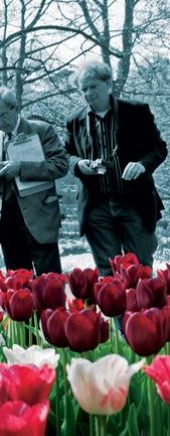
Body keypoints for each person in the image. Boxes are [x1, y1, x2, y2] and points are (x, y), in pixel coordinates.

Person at [65, 60, 167, 275]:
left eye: (93, 87)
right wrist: (80, 164)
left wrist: (141, 165)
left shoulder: (136, 112)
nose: (88, 93)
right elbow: (65, 156)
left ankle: (144, 310)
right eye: (83, 89)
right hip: (96, 206)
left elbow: (158, 148)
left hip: (135, 203)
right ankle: (115, 310)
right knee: (107, 273)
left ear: (108, 84)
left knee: (139, 269)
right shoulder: (75, 120)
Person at [0, 87, 69, 275]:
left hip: (39, 216)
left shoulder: (42, 130)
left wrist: (22, 168)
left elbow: (60, 165)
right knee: (18, 286)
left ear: (15, 108)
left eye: (2, 115)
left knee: (49, 283)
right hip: (7, 220)